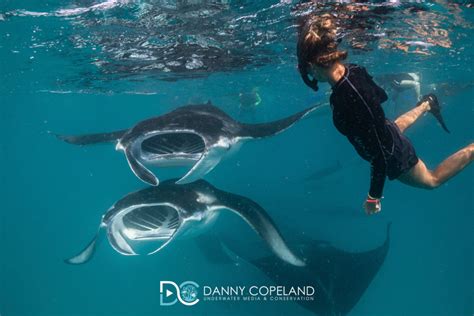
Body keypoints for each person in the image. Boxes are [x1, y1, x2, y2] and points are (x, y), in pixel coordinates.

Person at [297, 14, 473, 214]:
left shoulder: (347, 96)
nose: (310, 76)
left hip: (391, 154)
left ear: (312, 65)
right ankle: (427, 104)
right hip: (385, 131)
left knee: (432, 180)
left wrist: (374, 196)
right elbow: (380, 96)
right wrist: (369, 117)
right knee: (390, 127)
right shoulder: (353, 70)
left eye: (308, 71)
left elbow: (378, 154)